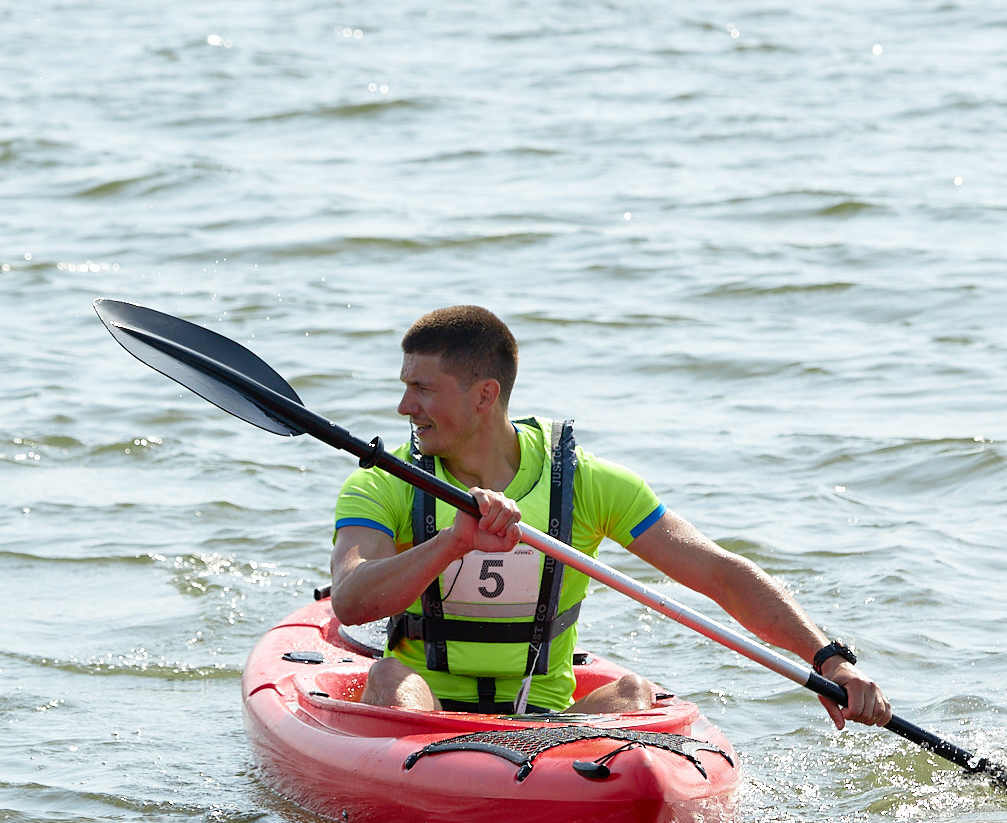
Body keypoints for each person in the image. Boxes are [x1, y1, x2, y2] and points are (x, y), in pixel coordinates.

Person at [330, 305, 892, 726]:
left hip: (545, 722)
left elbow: (718, 573)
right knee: (388, 675)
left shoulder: (587, 485)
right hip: (425, 712)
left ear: (484, 395)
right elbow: (352, 601)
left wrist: (830, 660)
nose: (405, 407)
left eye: (422, 389)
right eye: (405, 387)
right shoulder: (383, 481)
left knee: (633, 693)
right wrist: (453, 542)